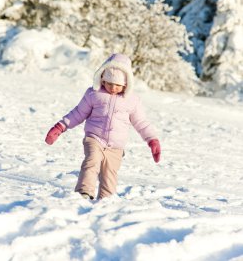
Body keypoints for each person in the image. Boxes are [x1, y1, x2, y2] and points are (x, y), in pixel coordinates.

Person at [45, 53, 161, 200]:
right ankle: (84, 193)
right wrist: (60, 126)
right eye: (109, 83)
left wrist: (152, 140)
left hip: (116, 147)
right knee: (92, 160)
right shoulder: (94, 94)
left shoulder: (132, 101)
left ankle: (106, 201)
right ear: (102, 78)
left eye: (118, 85)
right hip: (94, 138)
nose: (112, 88)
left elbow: (141, 123)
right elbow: (79, 113)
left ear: (126, 84)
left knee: (110, 174)